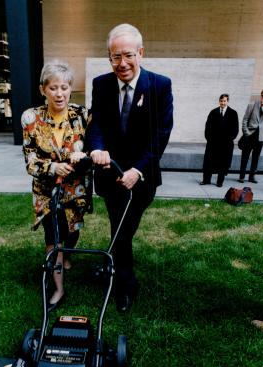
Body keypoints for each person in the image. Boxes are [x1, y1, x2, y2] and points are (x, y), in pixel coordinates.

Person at [86, 23, 173, 312]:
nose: (121, 63)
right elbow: (96, 123)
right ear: (108, 57)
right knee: (118, 228)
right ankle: (121, 279)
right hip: (110, 176)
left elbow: (160, 134)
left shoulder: (159, 85)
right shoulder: (101, 84)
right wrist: (96, 148)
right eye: (114, 57)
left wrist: (137, 170)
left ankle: (124, 283)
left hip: (142, 177)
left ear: (141, 53)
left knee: (122, 232)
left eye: (127, 55)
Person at [21, 60, 92, 311]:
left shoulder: (83, 115)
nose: (59, 93)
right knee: (54, 238)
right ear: (43, 90)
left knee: (72, 232)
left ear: (70, 88)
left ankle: (67, 256)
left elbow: (93, 149)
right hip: (46, 191)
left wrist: (82, 157)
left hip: (75, 191)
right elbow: (30, 160)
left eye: (64, 87)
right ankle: (58, 288)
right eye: (53, 88)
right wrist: (52, 167)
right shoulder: (31, 118)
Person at [200, 94, 239, 187]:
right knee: (209, 162)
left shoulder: (233, 113)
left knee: (223, 163)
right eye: (221, 101)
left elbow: (235, 129)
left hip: (226, 144)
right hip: (213, 143)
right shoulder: (213, 112)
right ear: (219, 101)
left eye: (224, 101)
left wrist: (229, 139)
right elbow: (207, 127)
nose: (223, 103)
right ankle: (206, 180)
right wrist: (209, 139)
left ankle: (219, 182)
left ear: (227, 101)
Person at [238, 88, 263, 184]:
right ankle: (242, 176)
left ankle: (251, 176)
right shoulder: (252, 104)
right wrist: (246, 133)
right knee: (245, 156)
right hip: (250, 134)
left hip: (260, 136)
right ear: (261, 95)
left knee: (256, 157)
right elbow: (245, 119)